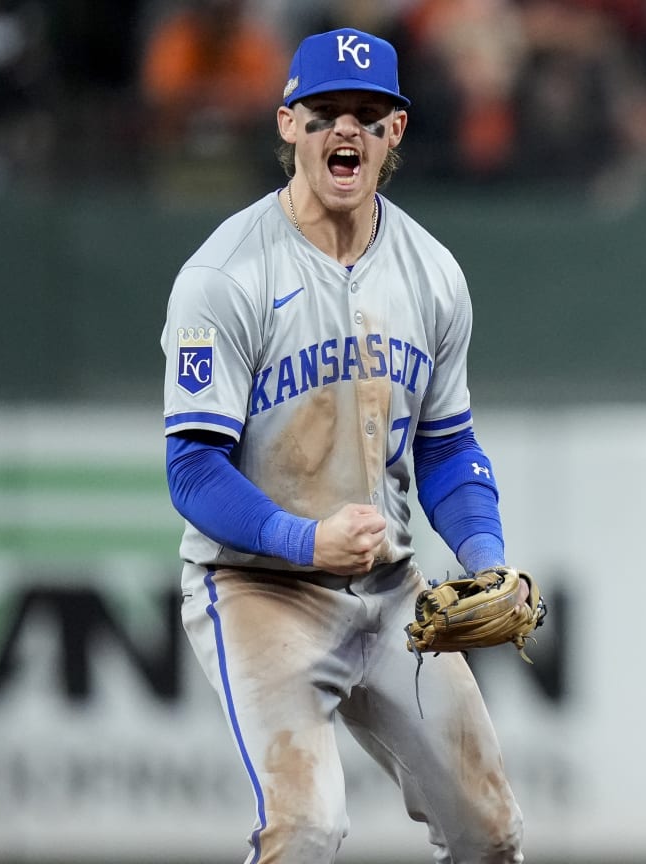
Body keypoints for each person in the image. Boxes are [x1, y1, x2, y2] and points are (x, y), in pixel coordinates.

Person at [159, 27, 529, 864]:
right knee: (308, 827)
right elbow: (191, 471)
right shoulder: (226, 275)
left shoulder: (432, 274)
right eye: (326, 112)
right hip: (260, 589)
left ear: (396, 131)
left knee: (492, 831)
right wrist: (305, 539)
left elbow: (447, 444)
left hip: (389, 591)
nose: (345, 132)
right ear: (287, 123)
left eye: (367, 114)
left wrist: (485, 553)